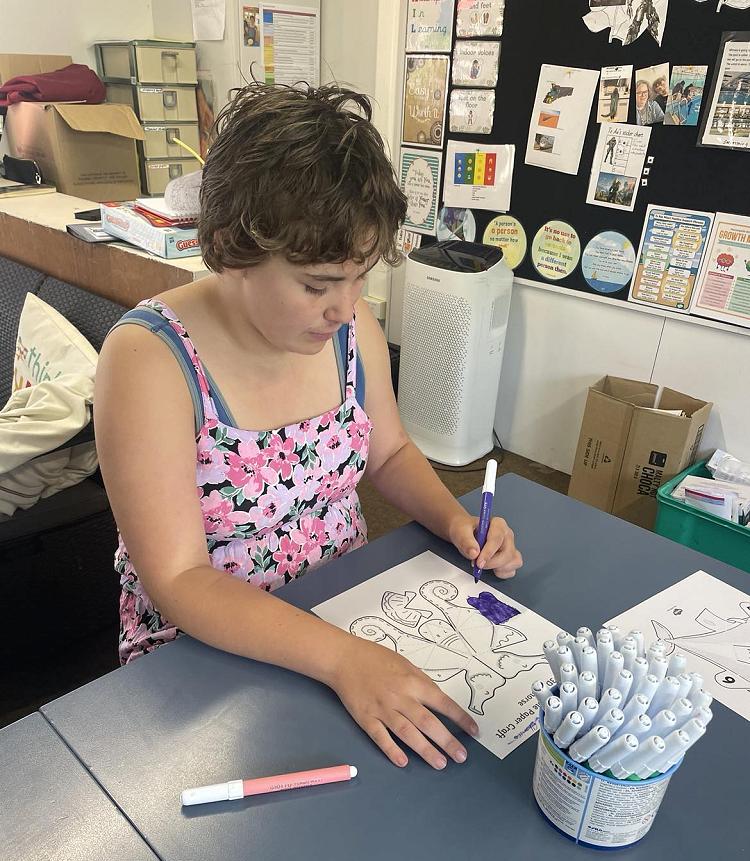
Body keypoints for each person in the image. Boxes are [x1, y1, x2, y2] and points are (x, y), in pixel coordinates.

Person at [94, 83, 523, 773]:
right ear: (230, 248)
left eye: (359, 278)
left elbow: (389, 453)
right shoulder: (150, 360)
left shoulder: (351, 329)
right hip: (209, 655)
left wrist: (453, 519)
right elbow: (178, 577)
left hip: (349, 613)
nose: (344, 308)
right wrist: (343, 659)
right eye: (317, 284)